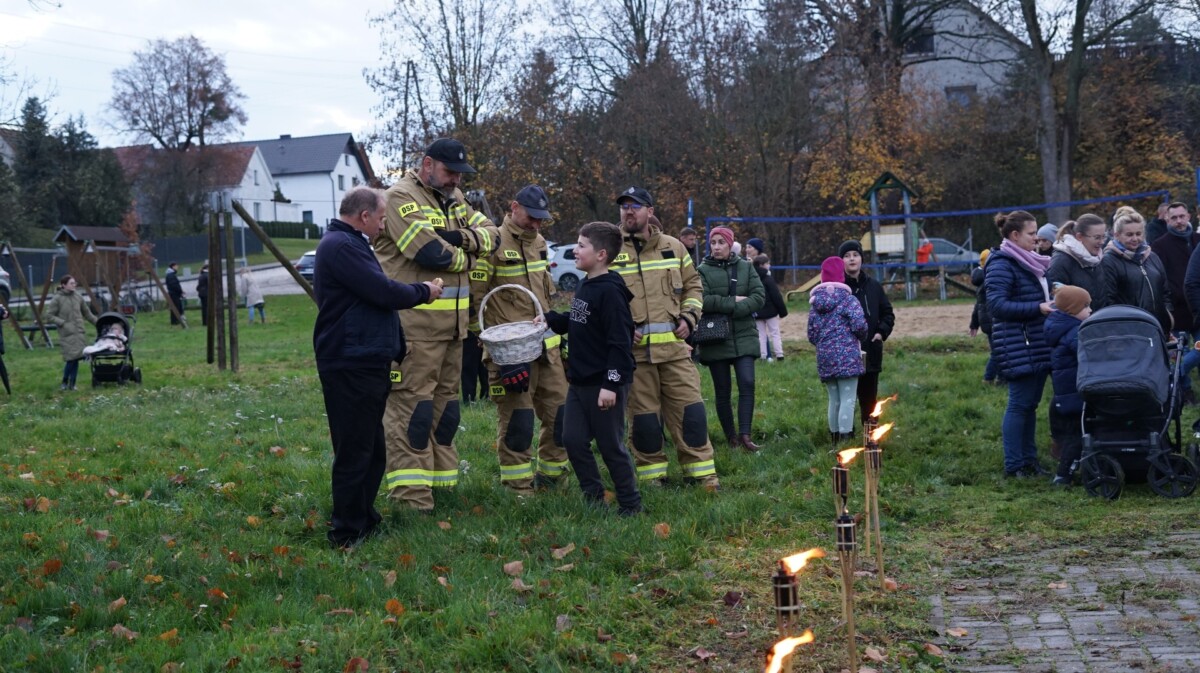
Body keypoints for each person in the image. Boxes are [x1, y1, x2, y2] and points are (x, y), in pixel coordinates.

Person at [373, 138, 499, 513]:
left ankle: (441, 490)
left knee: (446, 415)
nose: (456, 180)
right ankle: (411, 501)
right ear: (427, 164)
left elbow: (494, 234)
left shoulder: (454, 198)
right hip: (415, 331)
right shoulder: (400, 197)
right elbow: (430, 253)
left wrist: (460, 238)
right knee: (412, 414)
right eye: (449, 171)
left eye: (460, 174)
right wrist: (469, 257)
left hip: (453, 331)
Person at [313, 187, 442, 549]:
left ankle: (364, 519)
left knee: (372, 449)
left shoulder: (351, 244)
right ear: (364, 216)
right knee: (355, 450)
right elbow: (382, 291)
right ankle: (346, 533)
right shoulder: (342, 246)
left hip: (365, 358)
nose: (384, 226)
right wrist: (423, 292)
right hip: (350, 361)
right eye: (382, 219)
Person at [613, 186, 718, 488]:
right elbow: (598, 296)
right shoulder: (609, 248)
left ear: (650, 211)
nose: (628, 211)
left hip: (674, 352)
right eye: (624, 206)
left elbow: (694, 286)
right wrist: (620, 329)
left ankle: (702, 475)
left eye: (635, 206)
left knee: (691, 413)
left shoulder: (674, 247)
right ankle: (653, 479)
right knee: (644, 420)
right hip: (635, 357)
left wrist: (689, 317)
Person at [469, 184, 570, 494]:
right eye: (531, 217)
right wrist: (491, 348)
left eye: (541, 219)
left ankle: (553, 481)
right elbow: (476, 301)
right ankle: (518, 491)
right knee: (518, 423)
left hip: (547, 351)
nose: (536, 224)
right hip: (510, 356)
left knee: (561, 417)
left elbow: (546, 297)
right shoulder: (492, 243)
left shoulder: (539, 243)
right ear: (514, 208)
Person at [540, 222, 641, 515]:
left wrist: (611, 385)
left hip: (604, 383)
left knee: (610, 446)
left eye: (582, 245)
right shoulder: (586, 283)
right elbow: (578, 320)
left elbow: (620, 343)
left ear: (601, 255)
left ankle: (630, 504)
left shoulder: (610, 292)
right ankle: (594, 499)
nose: (575, 249)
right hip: (579, 381)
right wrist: (550, 319)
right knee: (572, 440)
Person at [984, 210, 1053, 478]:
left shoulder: (1030, 261)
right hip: (1018, 344)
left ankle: (1029, 461)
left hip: (1035, 342)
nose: (1037, 238)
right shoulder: (1002, 263)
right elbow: (997, 305)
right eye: (1032, 233)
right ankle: (1014, 465)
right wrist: (1038, 307)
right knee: (1019, 404)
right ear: (1015, 235)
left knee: (1030, 405)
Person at [697, 227, 765, 451]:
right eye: (713, 242)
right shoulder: (702, 271)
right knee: (722, 390)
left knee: (747, 382)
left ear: (730, 244)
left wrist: (732, 309)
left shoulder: (746, 267)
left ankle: (745, 435)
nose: (716, 247)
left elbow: (759, 296)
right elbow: (703, 300)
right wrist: (733, 301)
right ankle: (731, 438)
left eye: (721, 242)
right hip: (715, 338)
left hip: (744, 335)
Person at [807, 256, 867, 448]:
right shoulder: (849, 300)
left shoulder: (815, 305)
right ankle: (845, 439)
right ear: (841, 276)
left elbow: (811, 335)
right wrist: (860, 336)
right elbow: (859, 325)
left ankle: (834, 438)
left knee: (834, 399)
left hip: (825, 357)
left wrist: (824, 345)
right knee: (848, 398)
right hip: (847, 356)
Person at [839, 239, 895, 427]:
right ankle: (844, 435)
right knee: (846, 399)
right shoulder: (838, 289)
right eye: (847, 256)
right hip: (845, 352)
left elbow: (887, 313)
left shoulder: (874, 287)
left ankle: (870, 435)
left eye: (855, 255)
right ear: (841, 261)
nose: (852, 259)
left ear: (861, 259)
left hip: (870, 351)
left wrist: (881, 332)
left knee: (869, 399)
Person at [1096, 206, 1172, 335]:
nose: (1135, 239)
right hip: (1131, 332)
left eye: (1138, 234)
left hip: (1158, 328)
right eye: (1129, 235)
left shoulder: (1151, 257)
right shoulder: (1109, 261)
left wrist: (1168, 317)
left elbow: (1165, 291)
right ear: (1117, 235)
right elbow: (1108, 300)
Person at [1152, 202, 1199, 403]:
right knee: (1180, 352)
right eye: (1174, 218)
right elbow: (1159, 278)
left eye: (1182, 216)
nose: (1179, 221)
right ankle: (1182, 391)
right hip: (1177, 310)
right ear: (1166, 219)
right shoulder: (1159, 245)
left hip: (1197, 307)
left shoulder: (1197, 239)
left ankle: (1175, 375)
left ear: (1189, 216)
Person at [1044, 285, 1091, 487]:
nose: (1090, 310)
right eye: (1086, 306)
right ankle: (1063, 476)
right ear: (1072, 310)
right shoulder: (1075, 332)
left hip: (1067, 393)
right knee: (1076, 435)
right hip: (1075, 394)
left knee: (1074, 433)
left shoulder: (1062, 326)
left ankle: (1072, 468)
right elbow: (1087, 354)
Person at [43, 275, 98, 390]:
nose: (74, 285)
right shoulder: (57, 298)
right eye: (71, 283)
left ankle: (72, 384)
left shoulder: (78, 296)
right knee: (71, 359)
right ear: (64, 285)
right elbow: (49, 316)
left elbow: (87, 314)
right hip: (67, 333)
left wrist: (99, 323)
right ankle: (65, 382)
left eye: (74, 283)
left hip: (79, 332)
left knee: (76, 358)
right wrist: (63, 323)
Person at [1046, 214, 1106, 303]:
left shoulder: (1097, 259)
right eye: (1097, 237)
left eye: (1103, 236)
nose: (1102, 242)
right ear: (1079, 237)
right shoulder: (1061, 261)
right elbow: (1056, 300)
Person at [970, 249, 1001, 384]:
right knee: (998, 351)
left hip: (986, 321)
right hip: (992, 320)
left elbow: (978, 306)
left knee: (998, 350)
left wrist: (974, 324)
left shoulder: (980, 280)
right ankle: (989, 378)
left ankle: (1000, 378)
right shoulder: (989, 280)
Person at [752, 254, 788, 362]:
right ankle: (779, 355)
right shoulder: (768, 279)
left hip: (757, 311)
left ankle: (763, 356)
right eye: (768, 263)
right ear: (762, 265)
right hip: (771, 312)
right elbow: (776, 296)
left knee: (761, 335)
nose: (769, 265)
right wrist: (782, 311)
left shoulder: (752, 278)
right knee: (775, 333)